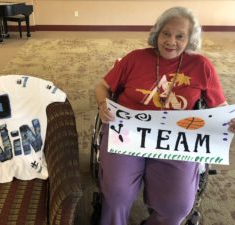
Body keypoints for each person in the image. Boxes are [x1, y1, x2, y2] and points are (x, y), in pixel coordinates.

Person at [94, 6, 235, 225]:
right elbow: (102, 86)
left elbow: (220, 107)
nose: (171, 41)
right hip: (129, 133)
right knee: (116, 192)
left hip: (176, 139)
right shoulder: (135, 59)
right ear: (157, 33)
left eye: (180, 36)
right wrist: (104, 104)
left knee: (177, 205)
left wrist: (230, 121)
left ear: (190, 40)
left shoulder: (202, 66)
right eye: (166, 33)